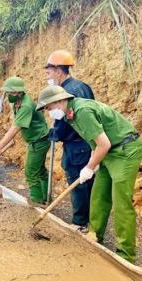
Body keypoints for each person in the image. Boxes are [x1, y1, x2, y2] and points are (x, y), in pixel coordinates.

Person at [36, 85, 142, 264]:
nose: (48, 112)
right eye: (46, 109)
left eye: (49, 107)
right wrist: (94, 161)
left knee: (121, 202)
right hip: (109, 152)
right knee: (99, 195)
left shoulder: (82, 111)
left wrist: (89, 167)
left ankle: (126, 254)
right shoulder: (71, 115)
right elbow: (96, 142)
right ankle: (94, 235)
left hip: (125, 151)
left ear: (61, 100)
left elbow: (104, 144)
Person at [45, 49, 95, 231]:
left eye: (49, 72)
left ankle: (80, 223)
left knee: (78, 183)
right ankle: (91, 222)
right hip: (89, 142)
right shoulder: (84, 86)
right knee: (88, 184)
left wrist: (55, 134)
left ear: (59, 71)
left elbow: (65, 121)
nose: (48, 77)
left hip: (76, 145)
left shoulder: (65, 91)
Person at [0, 77, 50, 206]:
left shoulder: (26, 105)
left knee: (31, 172)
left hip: (39, 140)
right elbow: (17, 122)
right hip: (36, 140)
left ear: (18, 92)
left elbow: (15, 127)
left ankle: (37, 201)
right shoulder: (18, 102)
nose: (7, 96)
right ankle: (46, 198)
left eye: (9, 93)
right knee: (40, 171)